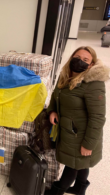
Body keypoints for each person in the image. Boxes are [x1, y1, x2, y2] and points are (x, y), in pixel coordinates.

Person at [45, 46, 109, 195]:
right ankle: (80, 188)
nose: (79, 61)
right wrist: (52, 110)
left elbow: (98, 117)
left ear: (91, 64)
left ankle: (57, 191)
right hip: (69, 130)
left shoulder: (93, 84)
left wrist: (88, 144)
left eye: (85, 60)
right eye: (77, 57)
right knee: (80, 162)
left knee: (72, 165)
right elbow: (56, 94)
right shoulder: (66, 76)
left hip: (81, 135)